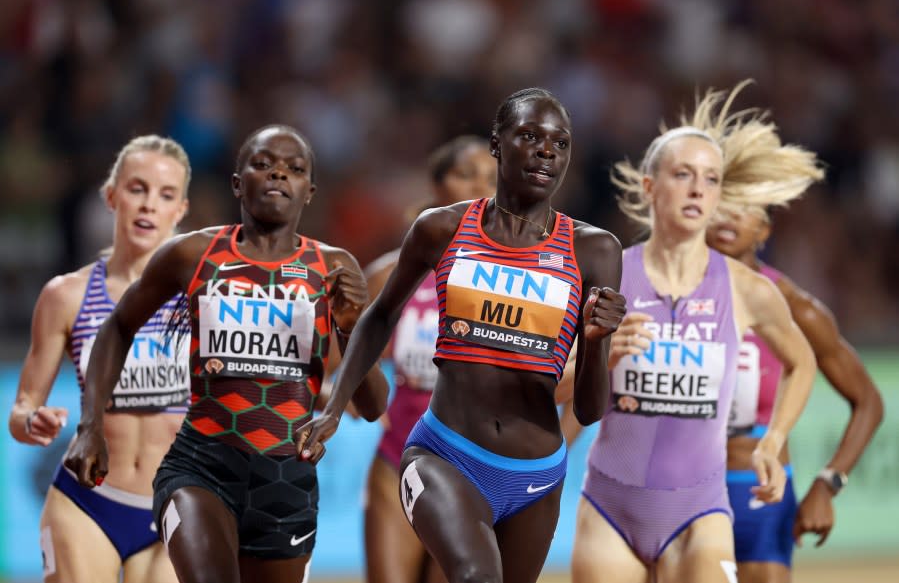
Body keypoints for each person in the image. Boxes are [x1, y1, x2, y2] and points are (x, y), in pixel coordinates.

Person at [296, 87, 627, 583]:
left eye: (559, 143)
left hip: (536, 475)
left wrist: (597, 341)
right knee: (476, 576)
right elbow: (379, 315)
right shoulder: (442, 228)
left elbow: (588, 410)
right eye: (530, 136)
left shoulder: (595, 249)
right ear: (497, 145)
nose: (545, 151)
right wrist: (335, 404)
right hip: (444, 453)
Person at [63, 124, 389, 583]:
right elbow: (117, 326)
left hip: (286, 481)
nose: (278, 175)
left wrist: (352, 324)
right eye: (262, 164)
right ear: (238, 183)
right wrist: (90, 424)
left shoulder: (333, 268)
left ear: (309, 191)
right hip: (201, 466)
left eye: (293, 170)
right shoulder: (193, 254)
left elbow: (374, 406)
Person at [569, 82, 819, 583]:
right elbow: (553, 385)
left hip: (700, 512)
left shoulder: (747, 289)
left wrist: (774, 442)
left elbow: (803, 362)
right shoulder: (606, 275)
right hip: (610, 508)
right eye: (682, 175)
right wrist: (599, 355)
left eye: (710, 179)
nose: (698, 189)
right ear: (649, 187)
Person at [705, 119, 884, 583]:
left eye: (744, 209)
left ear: (764, 228)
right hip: (680, 490)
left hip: (757, 494)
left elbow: (869, 401)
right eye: (721, 204)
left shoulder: (797, 309)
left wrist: (829, 483)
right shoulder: (664, 291)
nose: (728, 217)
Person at [8, 135, 192, 583]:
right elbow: (21, 409)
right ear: (111, 197)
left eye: (165, 195)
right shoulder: (66, 296)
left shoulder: (200, 297)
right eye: (137, 189)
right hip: (86, 503)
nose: (149, 204)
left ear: (180, 211)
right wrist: (33, 421)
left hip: (180, 503)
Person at [363, 135, 496, 583]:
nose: (481, 187)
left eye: (492, 179)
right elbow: (347, 347)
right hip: (396, 456)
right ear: (436, 187)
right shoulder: (390, 272)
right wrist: (350, 389)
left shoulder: (514, 277)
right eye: (466, 175)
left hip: (469, 467)